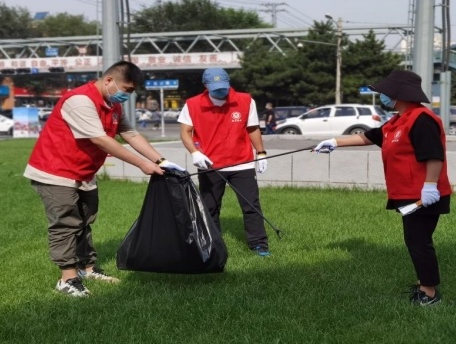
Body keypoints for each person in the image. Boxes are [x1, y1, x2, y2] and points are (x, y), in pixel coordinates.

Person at [24, 60, 184, 297]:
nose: (127, 96)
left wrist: (161, 161)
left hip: (85, 171)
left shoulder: (112, 104)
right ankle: (67, 279)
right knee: (66, 222)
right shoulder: (79, 101)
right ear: (109, 80)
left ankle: (87, 268)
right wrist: (142, 164)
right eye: (126, 90)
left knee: (85, 220)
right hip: (55, 171)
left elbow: (129, 133)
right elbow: (100, 139)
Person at [313, 70, 452, 306]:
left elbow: (434, 157)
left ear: (400, 94)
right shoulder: (397, 121)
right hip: (407, 193)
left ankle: (429, 294)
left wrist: (429, 187)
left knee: (419, 242)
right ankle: (423, 283)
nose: (382, 96)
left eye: (385, 93)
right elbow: (368, 137)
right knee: (414, 240)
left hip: (424, 195)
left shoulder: (422, 119)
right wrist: (335, 142)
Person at [177, 67, 271, 257]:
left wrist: (261, 153)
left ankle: (259, 244)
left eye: (223, 86)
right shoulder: (193, 104)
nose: (221, 91)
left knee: (251, 205)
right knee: (210, 207)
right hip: (210, 164)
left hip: (242, 162)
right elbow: (185, 131)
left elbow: (252, 128)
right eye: (215, 87)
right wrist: (195, 153)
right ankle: (212, 243)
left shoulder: (245, 101)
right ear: (205, 86)